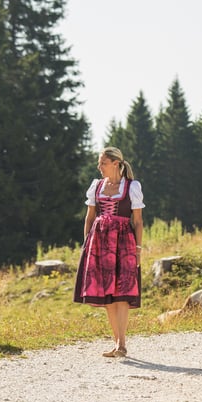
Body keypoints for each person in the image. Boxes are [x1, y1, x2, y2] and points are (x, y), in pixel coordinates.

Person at [74, 147, 144, 358]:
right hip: (99, 244)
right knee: (107, 295)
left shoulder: (132, 186)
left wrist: (138, 250)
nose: (99, 167)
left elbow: (138, 221)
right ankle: (116, 343)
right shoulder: (96, 186)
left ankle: (122, 343)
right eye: (99, 163)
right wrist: (87, 244)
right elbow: (89, 217)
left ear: (115, 163)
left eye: (103, 162)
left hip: (124, 242)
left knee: (122, 293)